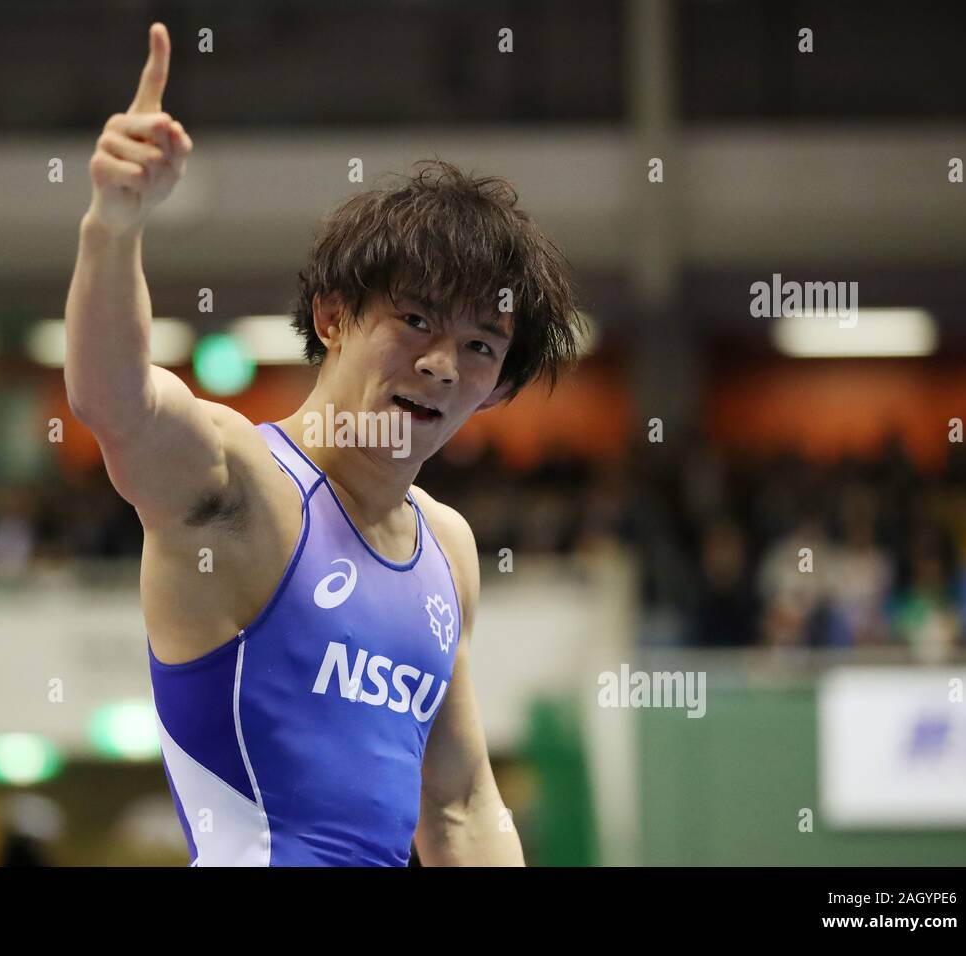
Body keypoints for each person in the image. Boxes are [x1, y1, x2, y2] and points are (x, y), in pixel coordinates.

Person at [65, 23, 582, 866]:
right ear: (333, 317)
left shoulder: (445, 551)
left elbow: (458, 805)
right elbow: (114, 400)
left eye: (482, 345)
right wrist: (111, 229)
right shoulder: (239, 485)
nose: (445, 365)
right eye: (414, 320)